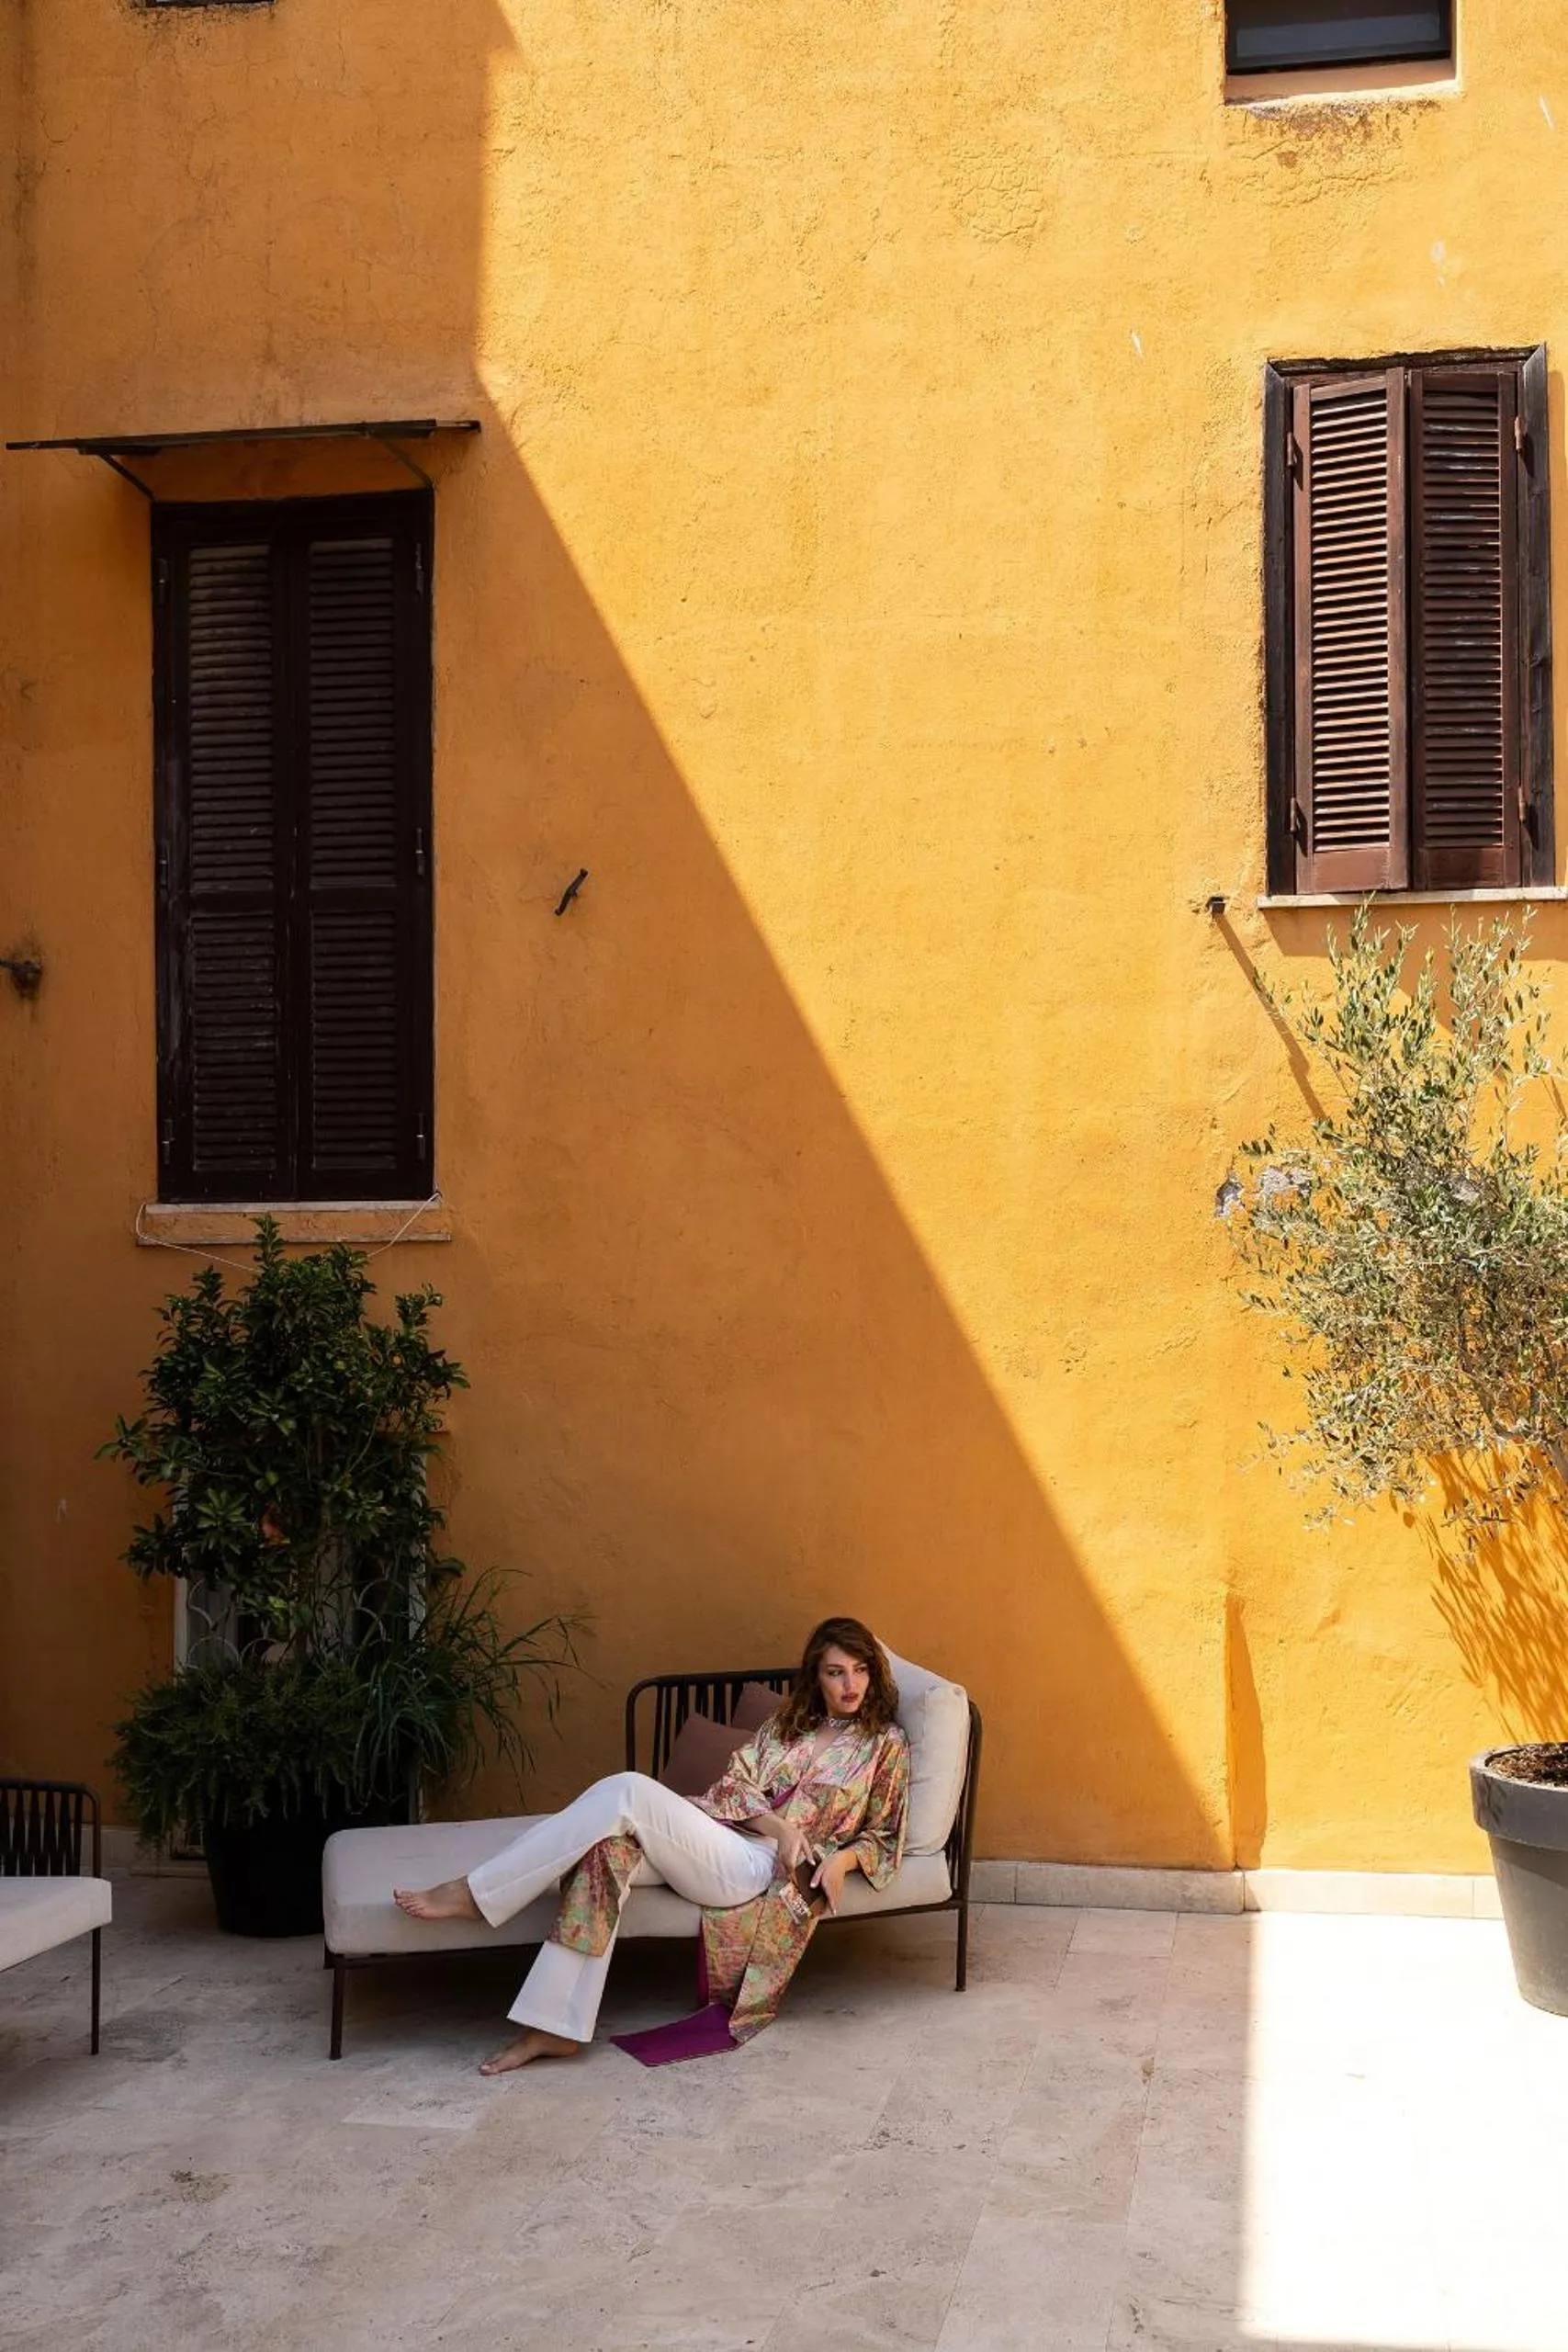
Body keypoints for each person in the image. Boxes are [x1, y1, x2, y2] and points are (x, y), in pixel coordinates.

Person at [394, 1615, 910, 2075]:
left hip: (756, 1869)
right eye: (836, 1671)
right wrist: (778, 1826)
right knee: (603, 1856)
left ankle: (476, 1892)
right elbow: (733, 1784)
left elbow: (885, 1833)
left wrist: (842, 1860)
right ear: (815, 1676)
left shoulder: (885, 1743)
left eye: (861, 1670)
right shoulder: (785, 1726)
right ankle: (554, 2026)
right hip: (726, 1837)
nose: (850, 1684)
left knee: (627, 1789)